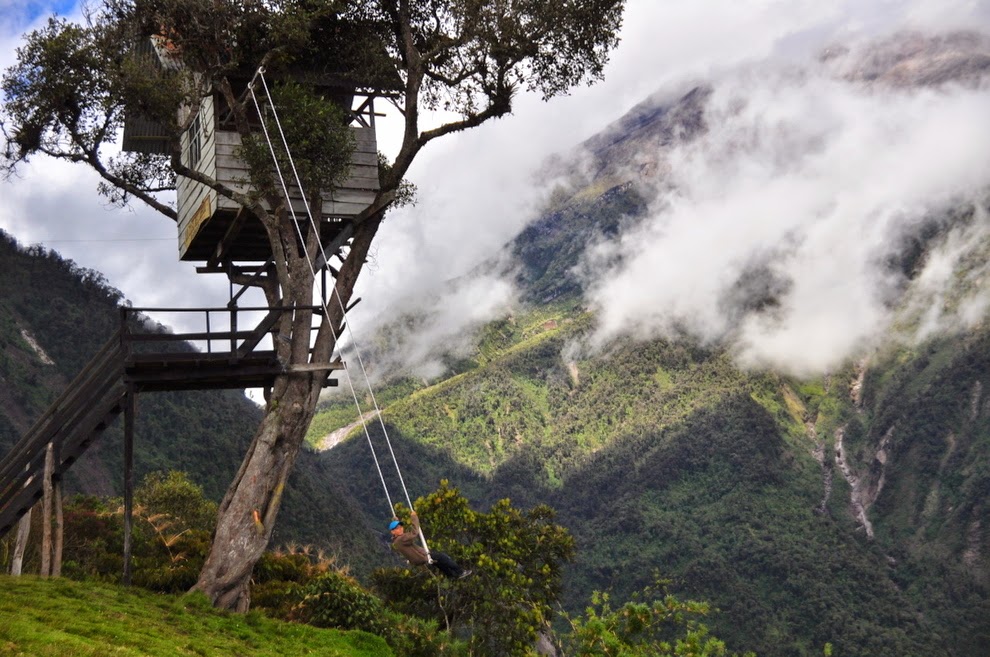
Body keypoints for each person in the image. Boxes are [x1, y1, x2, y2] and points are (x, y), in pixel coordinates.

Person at [389, 511, 471, 579]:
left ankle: (451, 575)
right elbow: (414, 533)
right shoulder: (401, 539)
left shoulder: (397, 540)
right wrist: (414, 518)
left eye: (401, 527)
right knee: (442, 557)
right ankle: (460, 572)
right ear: (393, 532)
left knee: (439, 562)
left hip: (418, 558)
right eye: (397, 528)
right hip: (421, 557)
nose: (401, 529)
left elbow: (405, 535)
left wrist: (395, 520)